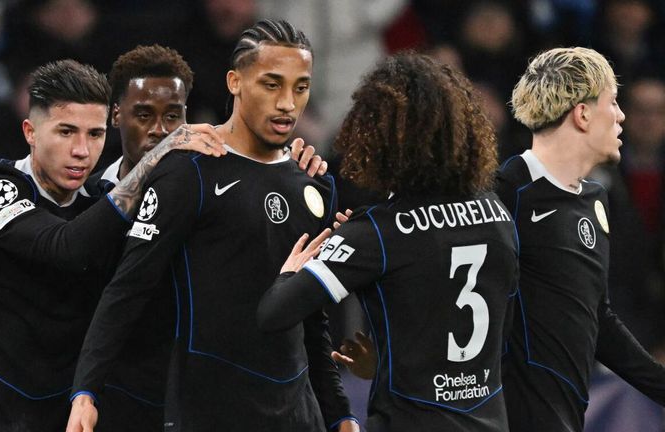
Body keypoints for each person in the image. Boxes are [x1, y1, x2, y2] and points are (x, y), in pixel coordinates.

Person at [68, 19, 358, 432]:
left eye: (300, 87)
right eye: (271, 84)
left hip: (298, 415)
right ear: (235, 82)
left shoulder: (314, 182)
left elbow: (311, 319)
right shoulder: (189, 172)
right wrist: (86, 391)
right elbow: (128, 288)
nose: (287, 103)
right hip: (210, 411)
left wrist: (340, 413)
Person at [0, 58, 226, 432]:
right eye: (66, 132)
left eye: (94, 134)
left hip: (50, 419)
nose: (81, 150)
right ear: (30, 132)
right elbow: (64, 246)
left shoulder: (97, 206)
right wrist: (154, 160)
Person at [256, 52, 518, 431]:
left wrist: (291, 273)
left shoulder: (378, 231)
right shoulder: (497, 214)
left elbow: (274, 314)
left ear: (379, 138)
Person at [498, 46, 665, 431]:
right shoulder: (505, 194)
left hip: (567, 417)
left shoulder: (596, 199)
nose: (622, 116)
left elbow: (597, 318)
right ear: (583, 114)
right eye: (613, 102)